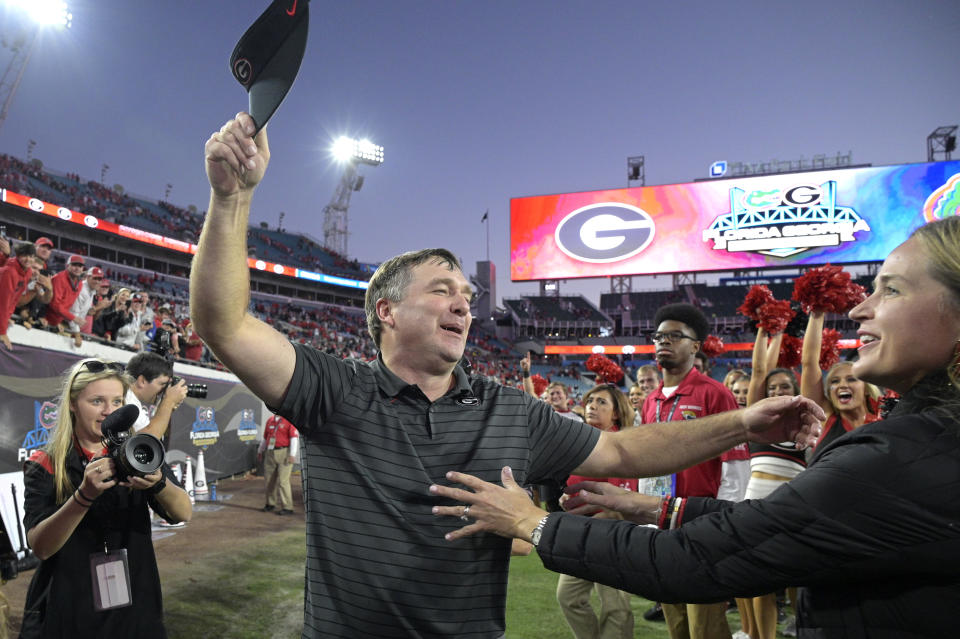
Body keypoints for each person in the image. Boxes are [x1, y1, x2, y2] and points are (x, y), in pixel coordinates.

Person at [192, 112, 821, 638]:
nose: (465, 304)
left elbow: (623, 448)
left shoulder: (511, 410)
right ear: (386, 311)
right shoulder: (336, 390)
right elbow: (226, 324)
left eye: (466, 293)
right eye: (442, 291)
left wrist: (743, 420)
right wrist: (232, 198)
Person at [431, 216, 960, 638]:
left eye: (890, 290)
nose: (863, 307)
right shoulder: (926, 438)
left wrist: (532, 523)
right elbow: (786, 521)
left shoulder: (906, 452)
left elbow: (707, 557)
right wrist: (649, 506)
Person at [20, 358, 192, 637]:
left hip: (134, 602)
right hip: (70, 603)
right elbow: (41, 547)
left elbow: (183, 512)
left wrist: (159, 483)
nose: (108, 412)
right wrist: (84, 496)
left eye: (116, 401)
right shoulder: (45, 464)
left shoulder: (137, 451)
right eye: (97, 401)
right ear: (73, 403)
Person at [641, 303, 747, 639]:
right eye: (659, 336)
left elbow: (735, 462)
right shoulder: (650, 400)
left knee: (706, 625)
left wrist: (723, 519)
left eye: (675, 336)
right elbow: (645, 463)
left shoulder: (714, 393)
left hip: (701, 521)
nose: (664, 342)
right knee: (676, 622)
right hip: (661, 519)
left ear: (695, 346)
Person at [556, 384, 637, 639]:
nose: (592, 405)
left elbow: (627, 496)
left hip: (611, 534)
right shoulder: (581, 443)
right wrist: (566, 499)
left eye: (602, 402)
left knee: (616, 606)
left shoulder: (623, 445)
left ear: (615, 413)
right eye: (591, 401)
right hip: (580, 533)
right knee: (568, 597)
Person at [801, 311, 880, 451]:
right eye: (835, 381)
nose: (842, 385)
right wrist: (817, 311)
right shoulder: (825, 418)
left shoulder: (884, 417)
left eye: (851, 379)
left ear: (866, 388)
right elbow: (809, 363)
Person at [124, 352, 188, 440]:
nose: (164, 390)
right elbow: (146, 440)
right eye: (162, 384)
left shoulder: (129, 396)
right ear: (142, 381)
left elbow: (153, 430)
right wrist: (169, 401)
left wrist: (166, 407)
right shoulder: (124, 399)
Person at [257, 413, 300, 515]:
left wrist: (292, 454)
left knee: (283, 481)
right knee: (269, 480)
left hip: (284, 453)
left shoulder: (289, 420)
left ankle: (288, 507)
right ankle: (270, 504)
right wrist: (260, 450)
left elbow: (294, 438)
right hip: (270, 453)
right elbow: (265, 438)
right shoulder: (270, 420)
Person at [0, 242, 35, 351]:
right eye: (24, 256)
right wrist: (2, 331)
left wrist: (6, 318)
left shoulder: (28, 271)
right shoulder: (9, 271)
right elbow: (3, 302)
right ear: (18, 256)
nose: (28, 259)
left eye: (31, 256)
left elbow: (14, 299)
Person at [43, 254, 85, 331]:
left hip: (56, 323)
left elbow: (67, 305)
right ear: (67, 266)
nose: (77, 268)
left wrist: (60, 322)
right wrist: (73, 318)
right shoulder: (59, 278)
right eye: (74, 265)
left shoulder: (80, 284)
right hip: (44, 320)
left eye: (80, 266)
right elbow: (55, 304)